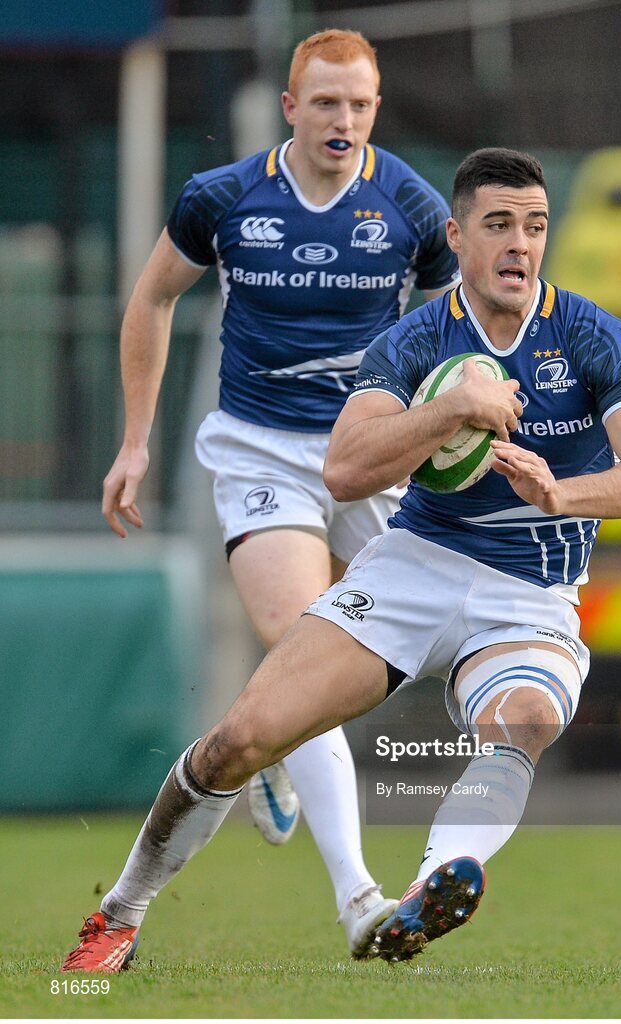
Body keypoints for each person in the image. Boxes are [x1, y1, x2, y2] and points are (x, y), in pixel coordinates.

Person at [65, 147, 621, 972]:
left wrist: (562, 496)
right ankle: (121, 912)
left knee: (524, 722)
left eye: (535, 227)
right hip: (413, 568)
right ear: (455, 236)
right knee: (238, 742)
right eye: (497, 225)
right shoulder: (412, 340)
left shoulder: (589, 335)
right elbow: (347, 467)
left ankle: (428, 889)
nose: (519, 245)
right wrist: (454, 409)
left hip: (529, 592)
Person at [98, 28, 459, 958]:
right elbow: (149, 299)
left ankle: (281, 763)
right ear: (290, 107)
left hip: (366, 455)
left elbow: (453, 337)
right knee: (302, 642)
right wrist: (135, 442)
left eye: (361, 104)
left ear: (377, 110)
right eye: (326, 102)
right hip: (262, 454)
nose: (343, 120)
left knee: (371, 662)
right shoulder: (224, 198)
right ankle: (359, 901)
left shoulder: (412, 208)